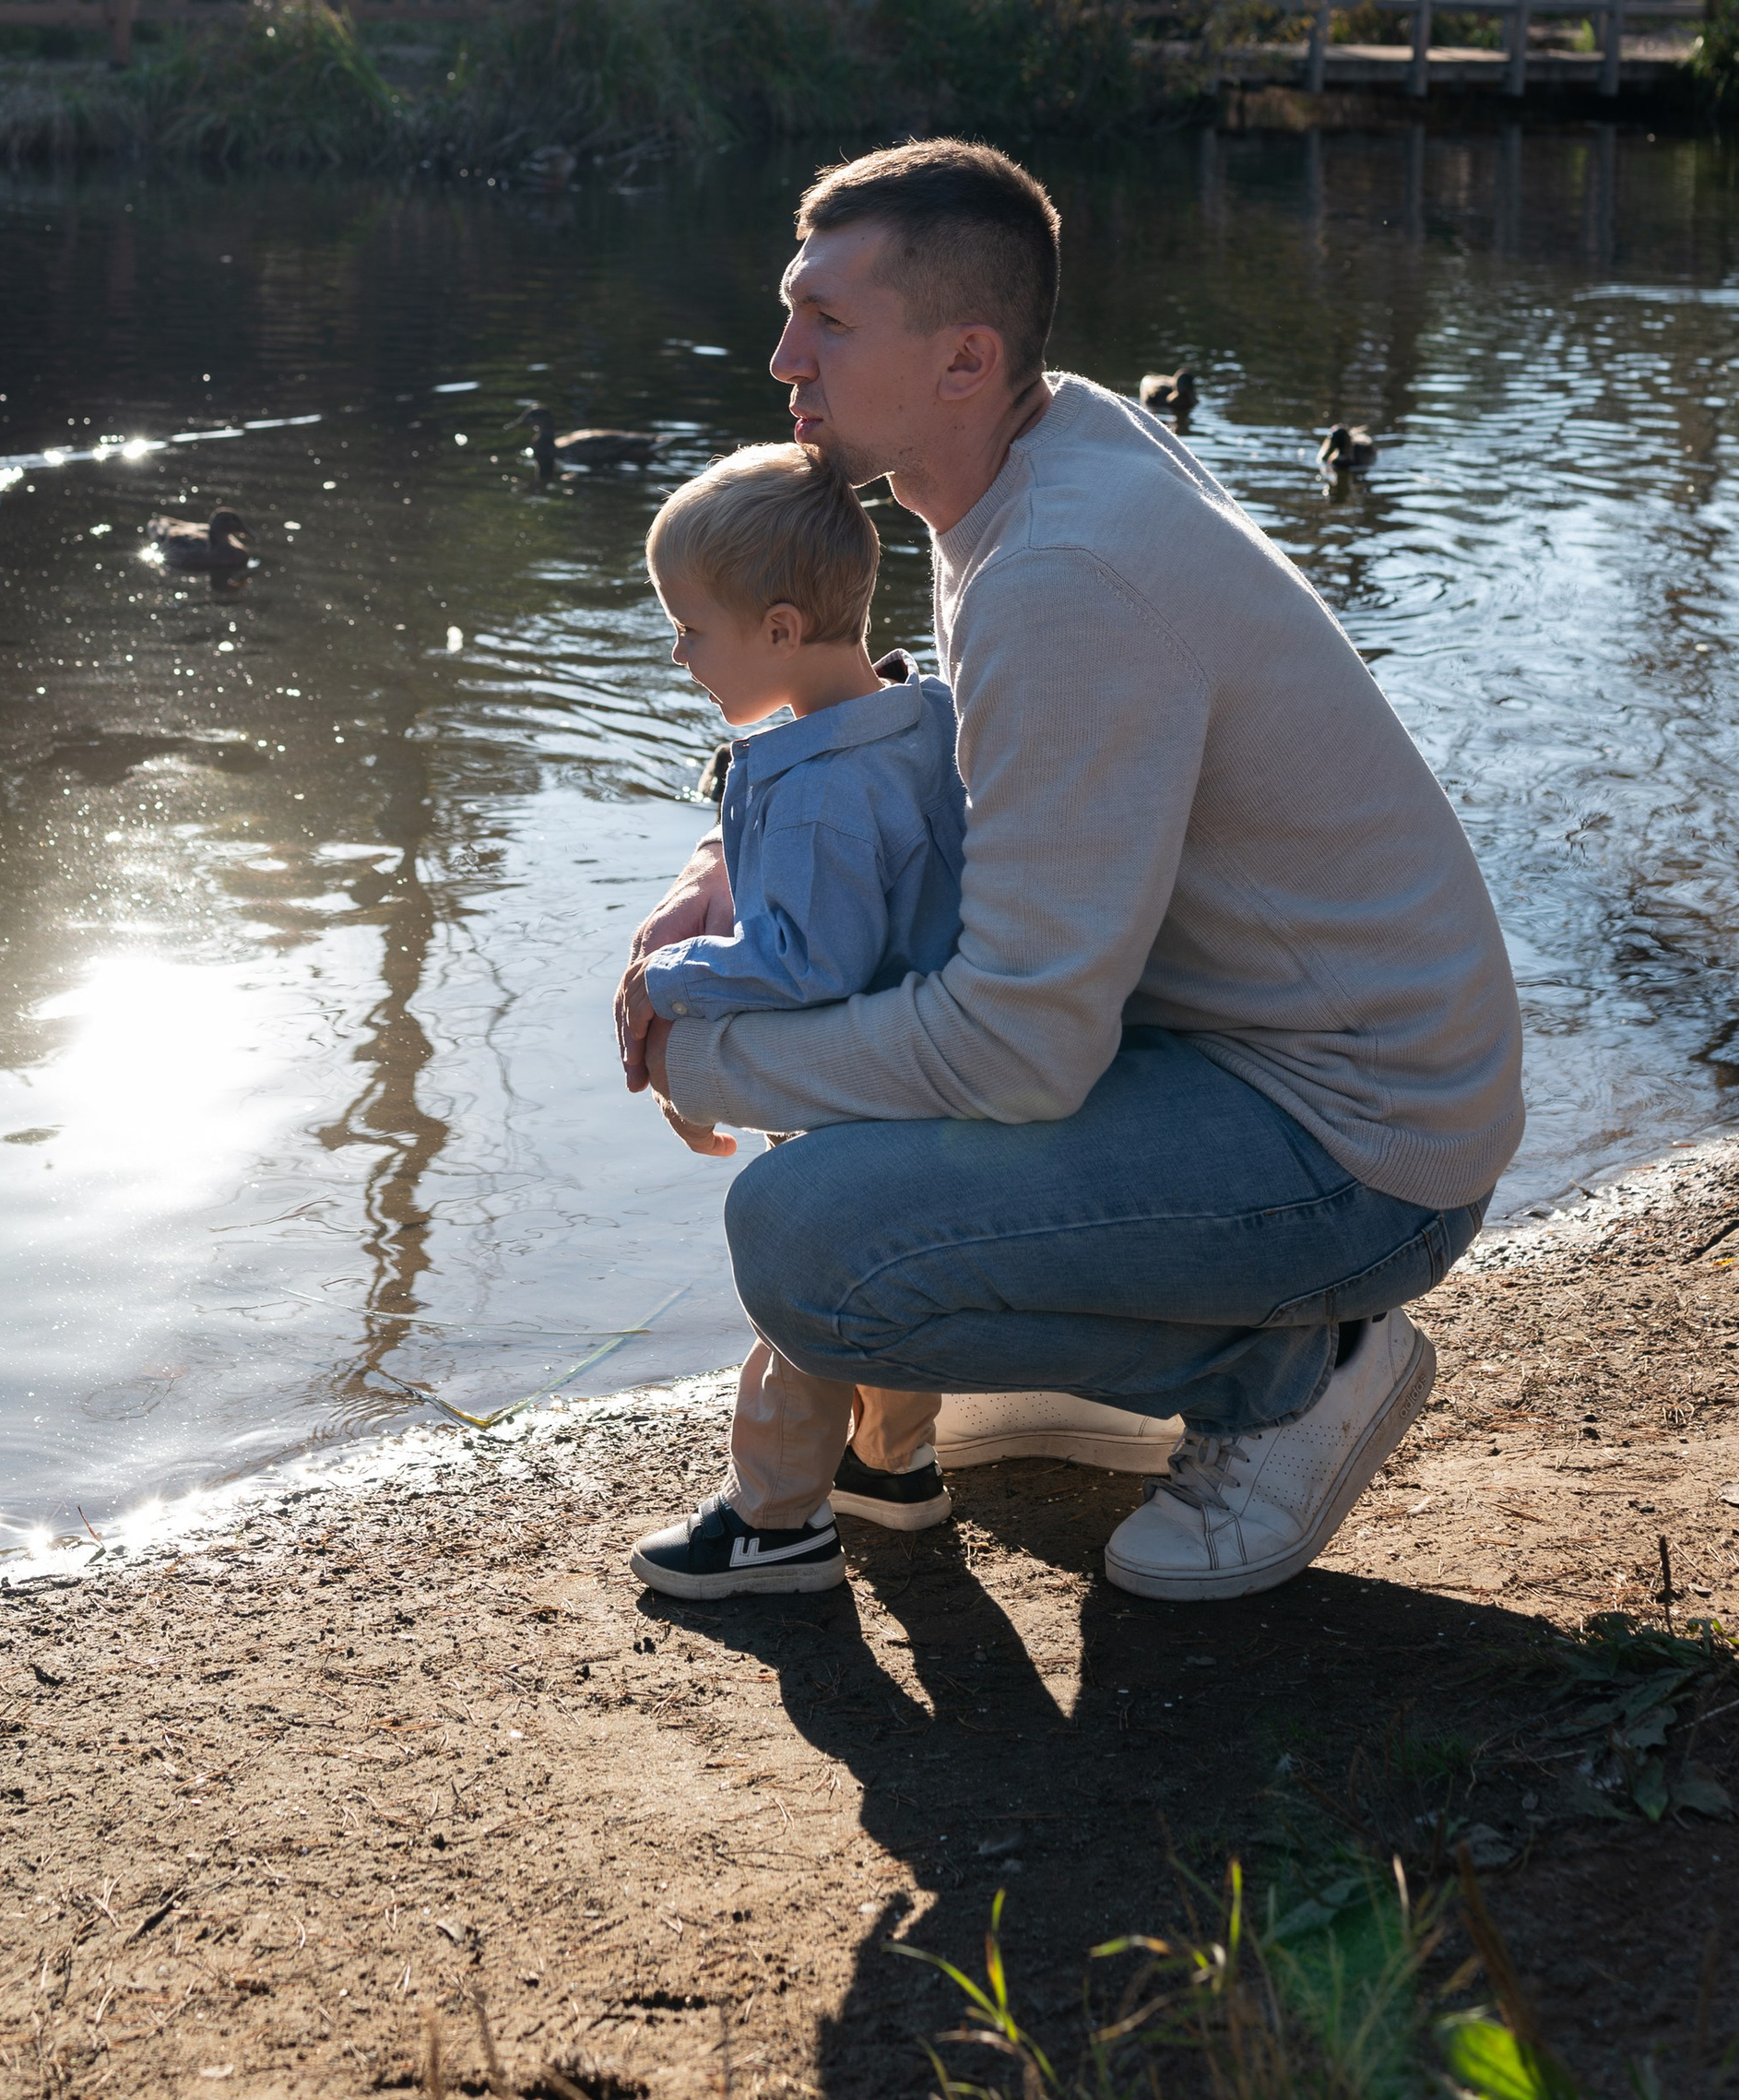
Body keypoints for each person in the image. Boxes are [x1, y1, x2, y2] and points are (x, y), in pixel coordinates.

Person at [618, 138, 1522, 1606]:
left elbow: (1023, 1044)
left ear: (966, 356)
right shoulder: (1040, 451)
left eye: (828, 323)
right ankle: (1134, 1326)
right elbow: (942, 727)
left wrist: (713, 1053)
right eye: (795, 311)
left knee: (809, 1245)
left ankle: (1285, 1372)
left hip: (1357, 1144)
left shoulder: (1061, 575)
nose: (784, 354)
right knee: (855, 1156)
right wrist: (722, 856)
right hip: (1260, 1053)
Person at [624, 444, 964, 1598]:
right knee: (881, 1265)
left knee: (810, 1281)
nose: (677, 651)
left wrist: (669, 980)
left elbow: (806, 961)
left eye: (690, 628)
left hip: (853, 1065)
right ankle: (893, 1463)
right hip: (920, 1062)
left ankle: (775, 1517)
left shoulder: (819, 789)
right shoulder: (908, 715)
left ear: (777, 629)